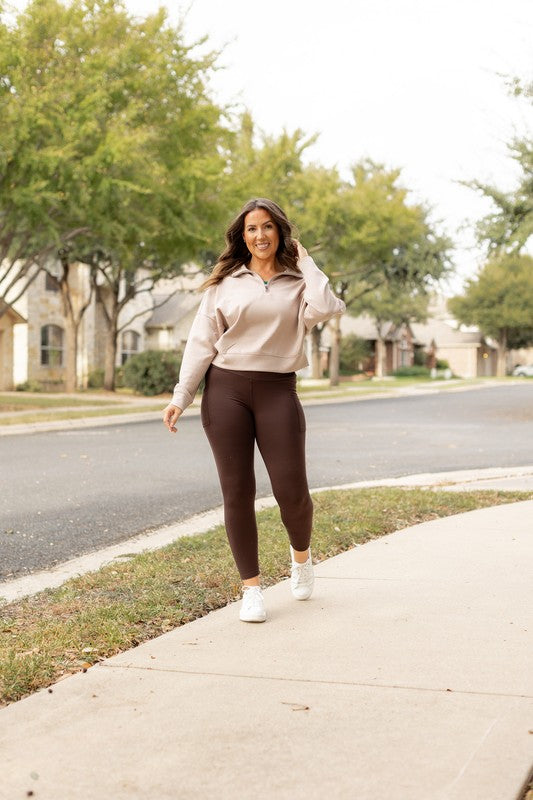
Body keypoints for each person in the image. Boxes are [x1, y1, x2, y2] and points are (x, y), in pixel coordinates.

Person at [163, 197, 345, 622]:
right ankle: (252, 590)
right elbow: (201, 342)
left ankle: (301, 560)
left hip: (277, 389)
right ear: (241, 236)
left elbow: (327, 307)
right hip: (225, 389)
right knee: (237, 491)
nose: (259, 235)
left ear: (279, 231)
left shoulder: (299, 280)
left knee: (291, 491)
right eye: (251, 229)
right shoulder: (226, 282)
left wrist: (307, 262)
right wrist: (180, 396)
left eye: (267, 227)